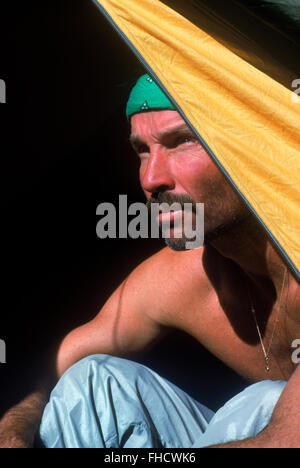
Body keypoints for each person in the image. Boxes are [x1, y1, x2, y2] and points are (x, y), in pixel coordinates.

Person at [1, 74, 299, 448]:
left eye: (182, 141)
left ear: (249, 146)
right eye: (143, 150)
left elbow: (283, 440)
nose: (150, 178)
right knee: (91, 383)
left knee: (265, 403)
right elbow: (56, 363)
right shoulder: (186, 274)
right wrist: (13, 430)